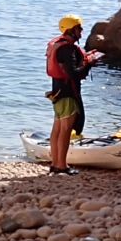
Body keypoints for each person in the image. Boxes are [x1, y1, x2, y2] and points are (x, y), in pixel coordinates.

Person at [45, 15, 101, 174]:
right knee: (65, 130)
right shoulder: (67, 49)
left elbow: (69, 67)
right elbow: (74, 74)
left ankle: (55, 164)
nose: (82, 31)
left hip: (57, 92)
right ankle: (62, 166)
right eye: (79, 28)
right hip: (68, 93)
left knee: (57, 129)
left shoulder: (59, 45)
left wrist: (86, 58)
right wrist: (89, 64)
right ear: (71, 30)